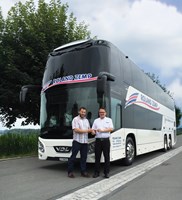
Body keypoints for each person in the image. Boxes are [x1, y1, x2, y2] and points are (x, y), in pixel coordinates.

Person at [67, 107, 93, 178]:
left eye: (84, 112)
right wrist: (88, 131)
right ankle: (70, 172)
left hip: (85, 142)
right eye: (82, 112)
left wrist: (93, 131)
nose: (83, 113)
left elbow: (89, 129)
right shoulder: (75, 119)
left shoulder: (87, 120)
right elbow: (76, 130)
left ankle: (83, 172)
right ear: (79, 112)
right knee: (73, 157)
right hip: (77, 141)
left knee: (84, 158)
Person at [92, 107, 114, 178]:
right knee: (97, 157)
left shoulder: (109, 120)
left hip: (106, 141)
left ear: (105, 113)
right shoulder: (96, 121)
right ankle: (96, 172)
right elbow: (93, 130)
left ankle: (106, 172)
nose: (101, 113)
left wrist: (102, 130)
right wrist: (93, 132)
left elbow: (111, 129)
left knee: (106, 157)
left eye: (103, 112)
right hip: (98, 141)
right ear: (99, 113)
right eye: (100, 112)